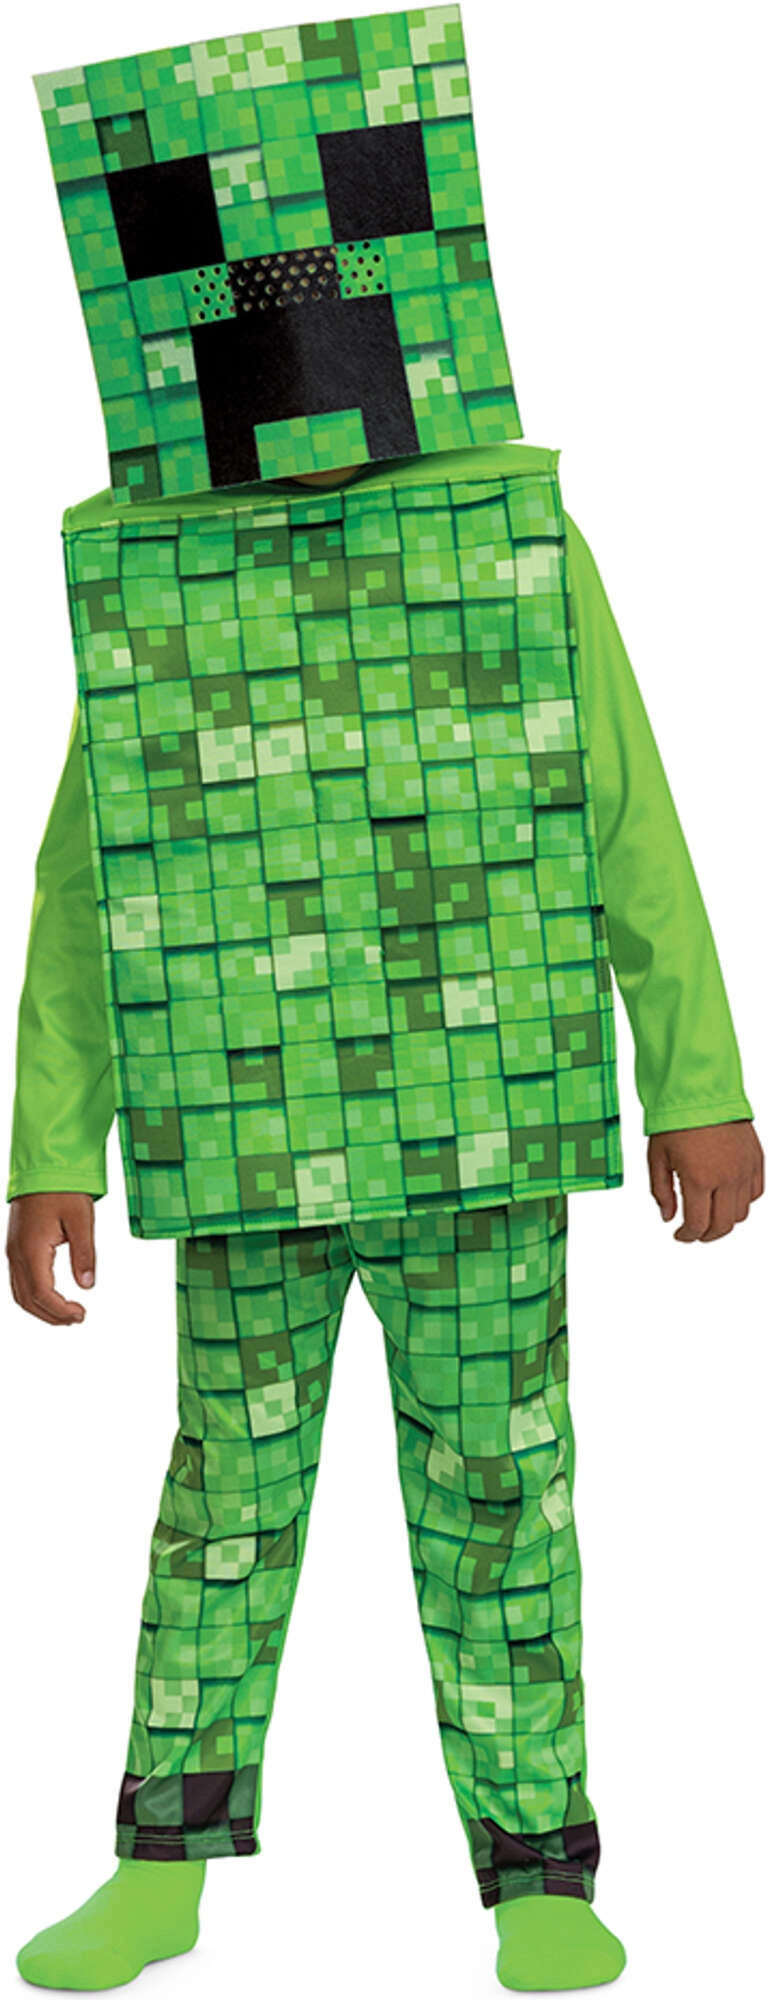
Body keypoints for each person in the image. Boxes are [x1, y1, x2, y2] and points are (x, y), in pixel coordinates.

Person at [5, 6, 762, 1993]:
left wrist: (695, 1074)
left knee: (503, 1487)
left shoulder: (511, 543)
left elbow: (621, 803)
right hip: (249, 1128)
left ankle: (537, 1871)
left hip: (480, 1112)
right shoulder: (159, 588)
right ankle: (166, 1860)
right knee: (225, 1500)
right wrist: (49, 1140)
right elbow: (91, 875)